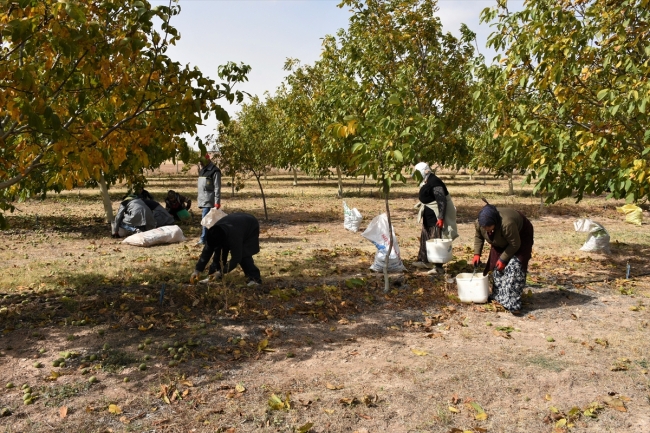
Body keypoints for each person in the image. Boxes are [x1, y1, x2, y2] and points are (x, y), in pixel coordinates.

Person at [472, 200, 534, 312]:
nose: (486, 229)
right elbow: (479, 237)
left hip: (519, 236)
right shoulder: (480, 223)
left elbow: (515, 244)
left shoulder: (507, 224)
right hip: (501, 237)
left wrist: (503, 259)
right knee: (497, 267)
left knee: (515, 267)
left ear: (495, 222)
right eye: (484, 227)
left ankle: (512, 303)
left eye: (489, 226)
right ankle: (499, 297)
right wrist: (477, 254)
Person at [190, 212, 262, 286]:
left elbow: (236, 258)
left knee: (244, 255)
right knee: (219, 252)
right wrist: (197, 270)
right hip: (235, 222)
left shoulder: (234, 237)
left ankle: (255, 279)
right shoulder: (214, 233)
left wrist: (221, 272)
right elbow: (206, 252)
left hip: (249, 225)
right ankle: (212, 277)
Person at [412, 162, 458, 273]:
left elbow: (441, 200)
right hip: (429, 213)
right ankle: (425, 260)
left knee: (436, 238)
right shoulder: (426, 181)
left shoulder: (435, 182)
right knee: (426, 235)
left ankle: (438, 267)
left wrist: (441, 217)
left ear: (425, 172)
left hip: (437, 214)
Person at [197, 154, 222, 245]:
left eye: (202, 161)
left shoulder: (215, 171)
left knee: (206, 220)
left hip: (209, 200)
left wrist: (217, 202)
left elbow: (217, 188)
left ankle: (203, 239)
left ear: (207, 160)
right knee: (207, 221)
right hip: (203, 200)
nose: (200, 163)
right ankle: (210, 238)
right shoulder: (202, 170)